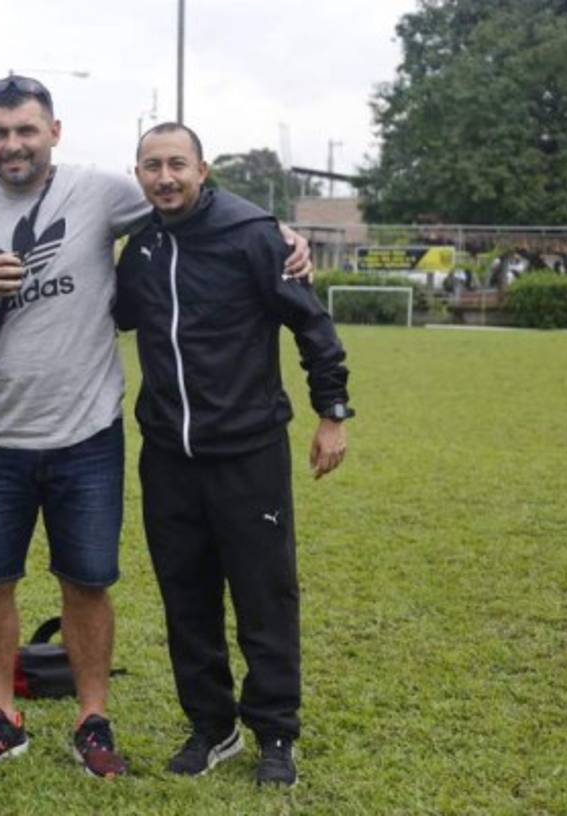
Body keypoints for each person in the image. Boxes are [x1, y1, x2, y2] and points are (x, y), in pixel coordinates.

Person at [0, 77, 313, 778]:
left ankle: (94, 722)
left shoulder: (101, 192)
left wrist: (277, 230)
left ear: (54, 132)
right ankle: (3, 718)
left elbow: (193, 204)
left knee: (86, 582)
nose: (13, 144)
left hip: (88, 436)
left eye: (26, 130)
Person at [114, 122, 352, 788]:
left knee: (264, 598)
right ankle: (211, 728)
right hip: (167, 455)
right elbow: (116, 316)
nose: (165, 177)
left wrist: (331, 414)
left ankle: (275, 733)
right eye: (152, 166)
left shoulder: (252, 235)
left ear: (203, 169)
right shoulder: (142, 248)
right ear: (137, 174)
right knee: (185, 599)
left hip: (249, 453)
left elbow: (313, 326)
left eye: (177, 165)